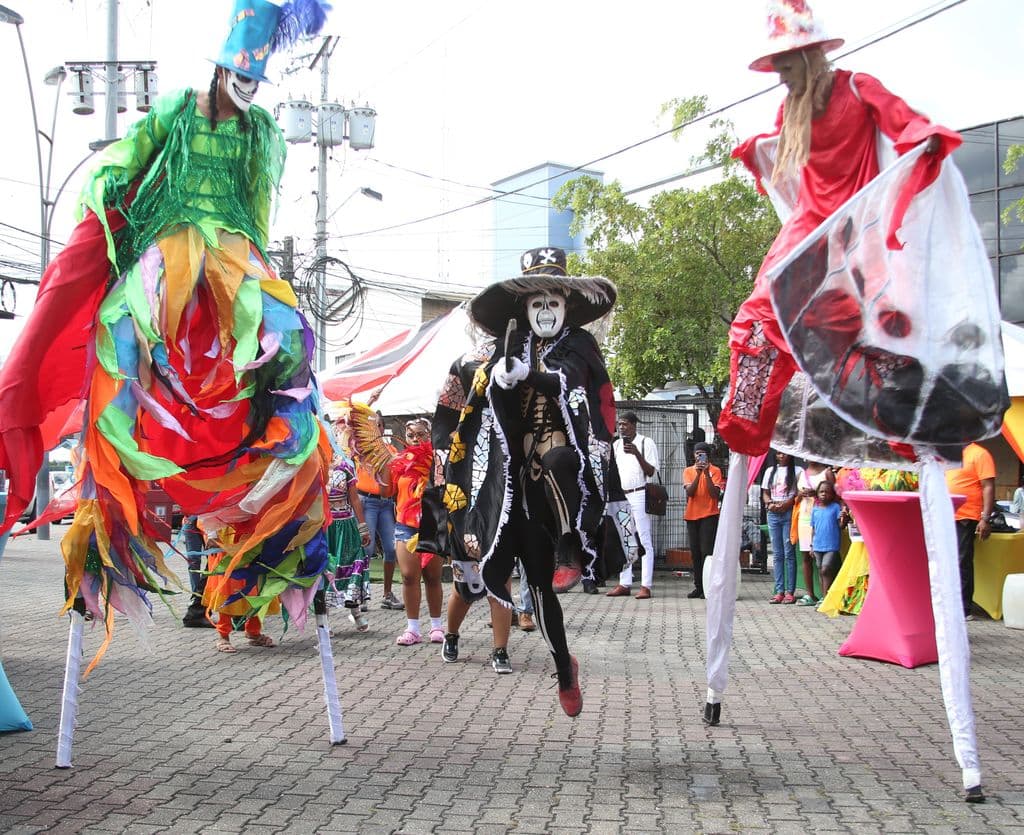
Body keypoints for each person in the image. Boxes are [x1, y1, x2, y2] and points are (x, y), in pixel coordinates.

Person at [0, 1, 334, 657]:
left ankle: (272, 461)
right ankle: (116, 505)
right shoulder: (176, 111)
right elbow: (127, 165)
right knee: (124, 331)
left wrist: (257, 273)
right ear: (219, 69)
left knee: (290, 332)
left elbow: (258, 211)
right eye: (239, 81)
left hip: (233, 255)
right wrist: (108, 206)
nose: (245, 97)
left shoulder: (260, 132)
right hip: (169, 247)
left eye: (254, 87)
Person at [716, 2, 958, 455]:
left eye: (787, 66)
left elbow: (905, 123)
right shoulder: (790, 109)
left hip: (850, 233)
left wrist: (924, 137)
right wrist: (756, 151)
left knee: (858, 335)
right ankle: (746, 428)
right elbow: (781, 155)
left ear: (809, 57)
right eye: (778, 69)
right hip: (805, 233)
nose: (782, 77)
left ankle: (905, 423)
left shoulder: (858, 88)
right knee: (757, 321)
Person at [424, 247, 630, 717]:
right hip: (511, 484)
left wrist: (532, 376)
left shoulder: (579, 345)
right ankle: (564, 666)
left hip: (560, 472)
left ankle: (569, 545)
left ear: (566, 307)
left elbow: (576, 383)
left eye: (552, 304)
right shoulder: (502, 349)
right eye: (535, 304)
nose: (544, 312)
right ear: (524, 309)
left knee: (556, 455)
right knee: (535, 590)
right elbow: (460, 387)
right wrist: (493, 376)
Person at [391, 418, 445, 646]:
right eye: (411, 435)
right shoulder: (400, 461)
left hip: (432, 526)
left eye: (421, 434)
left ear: (430, 435)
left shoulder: (438, 461)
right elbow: (387, 492)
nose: (416, 439)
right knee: (408, 577)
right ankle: (412, 628)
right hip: (405, 526)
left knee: (433, 577)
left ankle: (437, 626)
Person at [349, 410, 401, 610]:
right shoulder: (361, 450)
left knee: (391, 548)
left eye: (379, 425)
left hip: (386, 504)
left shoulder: (391, 451)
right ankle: (360, 593)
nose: (376, 429)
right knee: (367, 549)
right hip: (367, 502)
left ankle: (387, 595)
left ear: (382, 427)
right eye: (373, 426)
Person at [607, 412, 659, 600]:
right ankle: (624, 582)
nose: (622, 428)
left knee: (643, 540)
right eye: (620, 424)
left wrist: (637, 453)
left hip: (639, 493)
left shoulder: (646, 443)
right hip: (621, 495)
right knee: (624, 540)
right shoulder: (616, 445)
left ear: (634, 425)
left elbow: (651, 471)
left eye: (626, 424)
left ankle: (646, 585)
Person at [944, 443, 996, 620]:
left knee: (961, 560)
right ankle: (949, 605)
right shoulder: (949, 452)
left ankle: (964, 608)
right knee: (947, 562)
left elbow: (988, 486)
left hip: (966, 516)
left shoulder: (979, 454)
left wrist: (985, 518)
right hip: (945, 515)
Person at [326, 450, 373, 632]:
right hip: (324, 527)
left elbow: (354, 499)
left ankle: (356, 613)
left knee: (351, 564)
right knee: (326, 570)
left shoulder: (345, 467)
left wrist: (362, 527)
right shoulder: (314, 467)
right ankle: (324, 621)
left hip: (345, 526)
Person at [681, 442, 723, 600]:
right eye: (697, 454)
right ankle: (698, 586)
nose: (699, 457)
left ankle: (708, 585)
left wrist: (706, 474)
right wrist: (698, 474)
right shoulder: (688, 471)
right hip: (692, 515)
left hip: (709, 515)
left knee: (707, 552)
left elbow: (715, 494)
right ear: (693, 455)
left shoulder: (715, 471)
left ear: (708, 455)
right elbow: (690, 493)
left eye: (702, 454)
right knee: (695, 553)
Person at [762, 451, 803, 604]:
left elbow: (799, 493)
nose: (781, 456)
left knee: (789, 552)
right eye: (778, 454)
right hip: (773, 512)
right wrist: (769, 504)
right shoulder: (769, 471)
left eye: (784, 454)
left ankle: (790, 592)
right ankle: (779, 590)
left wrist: (787, 504)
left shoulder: (798, 471)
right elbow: (765, 492)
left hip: (789, 512)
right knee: (777, 554)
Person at [795, 461, 835, 606]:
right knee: (806, 556)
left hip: (822, 518)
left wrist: (817, 494)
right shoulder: (801, 474)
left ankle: (826, 595)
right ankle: (810, 594)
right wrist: (801, 494)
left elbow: (835, 496)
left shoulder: (827, 473)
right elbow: (796, 497)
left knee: (823, 557)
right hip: (805, 518)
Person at [809, 480, 844, 601]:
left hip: (831, 546)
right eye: (821, 492)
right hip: (818, 545)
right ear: (817, 493)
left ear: (832, 495)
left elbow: (840, 526)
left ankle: (825, 598)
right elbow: (813, 528)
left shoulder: (835, 507)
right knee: (821, 571)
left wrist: (844, 518)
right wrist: (811, 546)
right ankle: (825, 596)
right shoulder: (815, 509)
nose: (824, 494)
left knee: (826, 569)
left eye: (827, 492)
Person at [180, 516, 213, 628]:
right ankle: (196, 599)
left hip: (208, 522)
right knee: (195, 562)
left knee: (213, 563)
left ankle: (199, 604)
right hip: (194, 521)